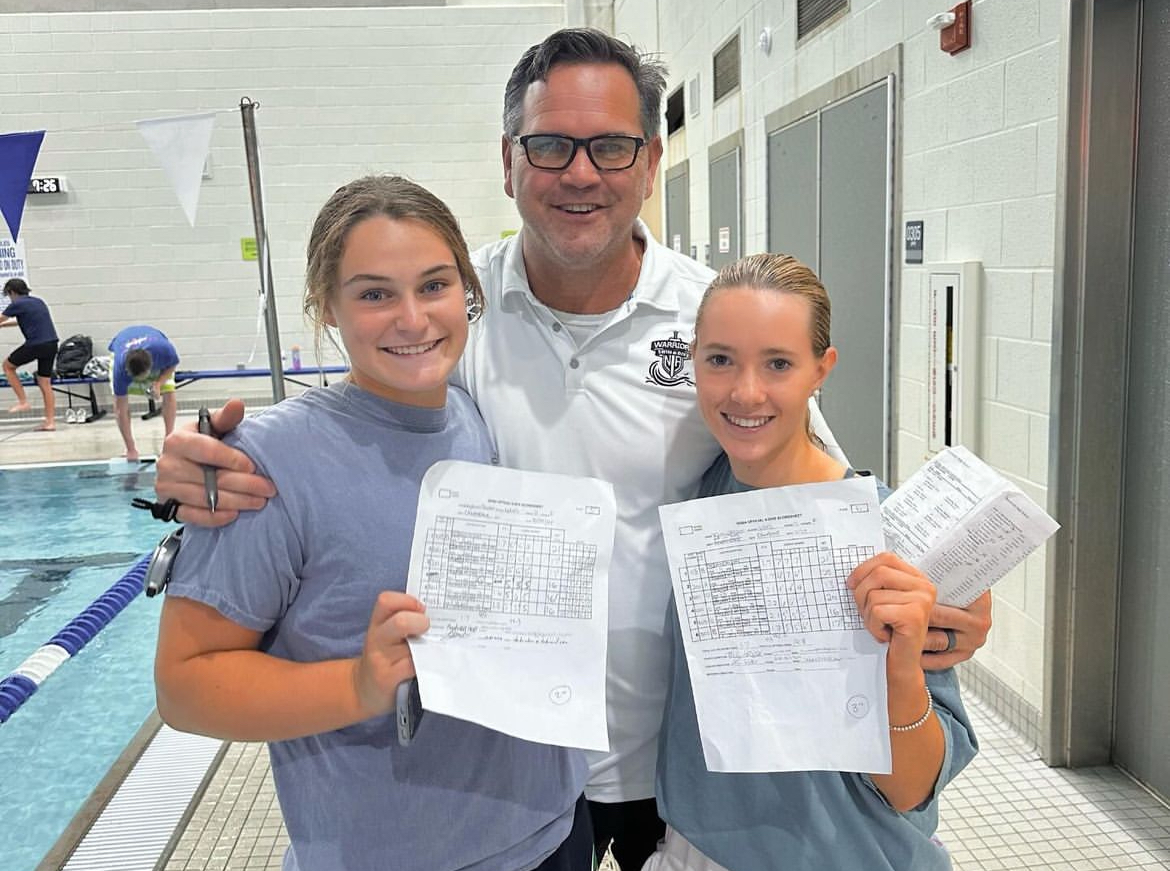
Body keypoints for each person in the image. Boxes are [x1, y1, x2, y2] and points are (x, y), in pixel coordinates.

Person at [149, 28, 993, 870]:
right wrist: (205, 465)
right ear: (509, 160)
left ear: (652, 160)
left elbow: (815, 493)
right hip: (517, 769)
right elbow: (363, 420)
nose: (580, 174)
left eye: (611, 146)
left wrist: (945, 594)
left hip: (681, 763)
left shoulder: (714, 320)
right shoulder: (456, 312)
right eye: (551, 146)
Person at [153, 175, 591, 871]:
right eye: (375, 293)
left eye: (434, 285)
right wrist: (357, 684)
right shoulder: (268, 463)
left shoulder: (481, 416)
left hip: (552, 834)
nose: (413, 319)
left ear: (467, 292)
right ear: (327, 305)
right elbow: (185, 685)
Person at [647, 254, 977, 871]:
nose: (746, 392)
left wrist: (902, 670)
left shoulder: (881, 534)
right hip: (702, 848)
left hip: (851, 853)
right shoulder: (699, 499)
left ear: (820, 370)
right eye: (720, 359)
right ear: (692, 362)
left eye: (778, 363)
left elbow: (913, 788)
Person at [109, 324, 180, 461]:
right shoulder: (120, 369)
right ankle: (129, 447)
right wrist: (131, 449)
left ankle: (170, 440)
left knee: (169, 392)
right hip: (121, 343)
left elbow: (172, 366)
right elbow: (120, 410)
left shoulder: (165, 350)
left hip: (154, 344)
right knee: (119, 404)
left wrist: (159, 383)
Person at [0, 278, 58, 430]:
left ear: (12, 292)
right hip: (52, 343)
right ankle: (50, 422)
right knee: (44, 382)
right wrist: (4, 326)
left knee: (7, 366)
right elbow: (26, 320)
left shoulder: (17, 304)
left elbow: (1, 318)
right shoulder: (38, 301)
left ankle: (23, 401)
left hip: (36, 344)